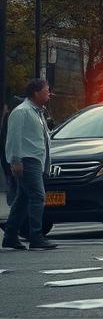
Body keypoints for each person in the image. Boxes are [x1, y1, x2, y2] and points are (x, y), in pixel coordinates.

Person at [2, 79, 57, 250]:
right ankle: (36, 237)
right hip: (27, 160)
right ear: (36, 93)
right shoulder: (22, 112)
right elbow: (13, 138)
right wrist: (15, 160)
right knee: (37, 196)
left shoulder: (37, 112)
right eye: (46, 90)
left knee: (23, 198)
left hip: (36, 160)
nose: (49, 93)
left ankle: (10, 236)